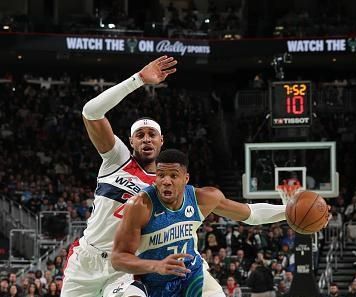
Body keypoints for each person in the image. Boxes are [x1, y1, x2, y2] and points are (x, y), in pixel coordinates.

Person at [61, 56, 177, 297]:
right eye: (141, 134)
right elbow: (90, 112)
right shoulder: (118, 158)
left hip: (122, 265)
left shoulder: (167, 186)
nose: (147, 138)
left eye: (152, 134)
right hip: (86, 261)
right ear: (131, 140)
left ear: (161, 141)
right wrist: (138, 80)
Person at [111, 149, 296, 297]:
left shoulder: (203, 198)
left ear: (186, 178)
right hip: (150, 280)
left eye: (173, 175)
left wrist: (289, 211)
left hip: (191, 274)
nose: (166, 181)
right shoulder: (140, 205)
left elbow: (250, 213)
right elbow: (118, 258)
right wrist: (155, 265)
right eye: (160, 175)